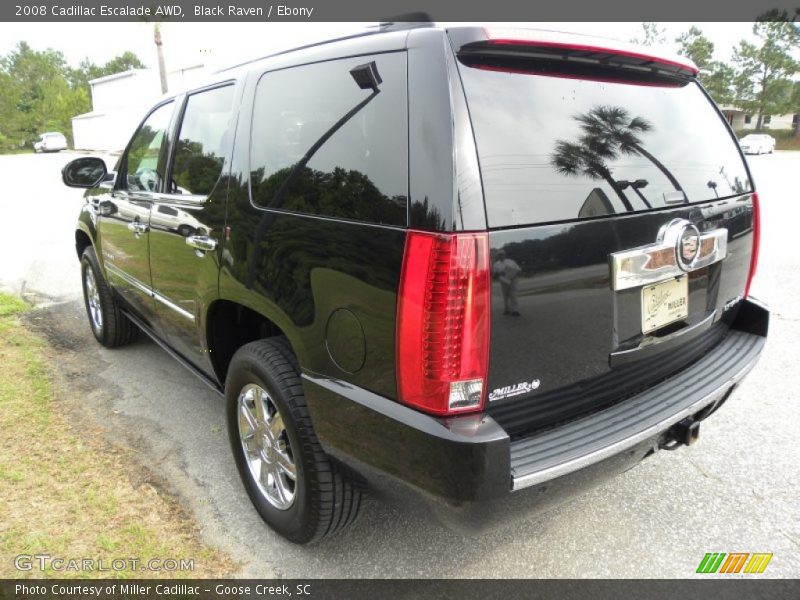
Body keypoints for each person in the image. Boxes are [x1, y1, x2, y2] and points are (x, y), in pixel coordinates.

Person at [492, 250, 522, 316]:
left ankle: (515, 310)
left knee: (513, 295)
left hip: (513, 280)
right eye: (499, 255)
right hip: (503, 281)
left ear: (504, 255)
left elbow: (518, 270)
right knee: (505, 295)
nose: (501, 256)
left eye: (502, 254)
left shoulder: (511, 261)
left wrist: (514, 273)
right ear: (498, 256)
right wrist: (500, 273)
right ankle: (507, 309)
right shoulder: (496, 264)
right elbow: (494, 274)